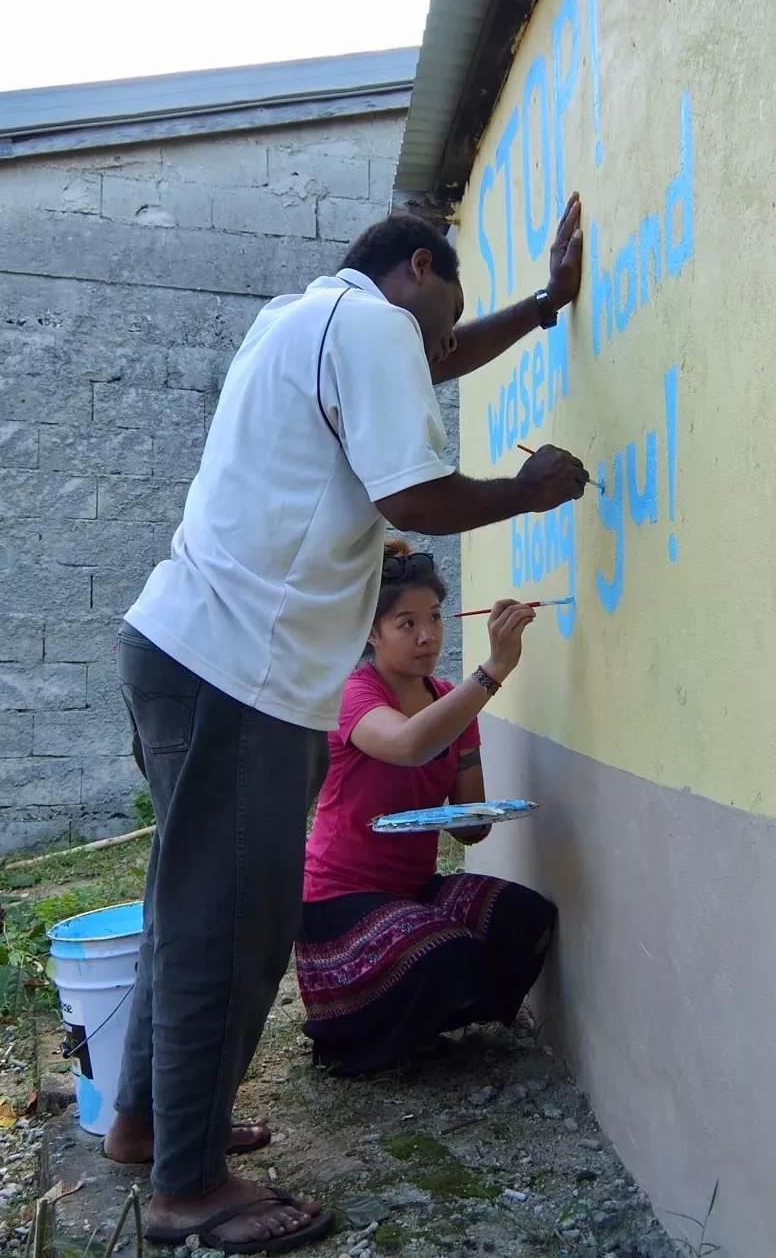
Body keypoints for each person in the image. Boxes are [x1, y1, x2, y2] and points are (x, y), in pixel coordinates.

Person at [105, 198, 590, 1253]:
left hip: (193, 651)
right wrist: (528, 489)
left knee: (190, 905)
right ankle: (188, 1186)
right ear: (416, 269)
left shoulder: (305, 319)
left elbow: (447, 350)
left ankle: (151, 1125)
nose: (437, 351)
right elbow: (413, 496)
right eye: (437, 324)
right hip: (237, 668)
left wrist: (546, 306)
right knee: (229, 926)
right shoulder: (369, 325)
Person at [296, 541, 556, 1076]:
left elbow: (469, 832)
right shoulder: (354, 694)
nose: (427, 636)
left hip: (411, 889)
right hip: (337, 899)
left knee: (527, 918)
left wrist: (486, 815)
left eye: (435, 618)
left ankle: (422, 1025)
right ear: (371, 632)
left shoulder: (448, 699)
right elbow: (409, 744)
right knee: (445, 953)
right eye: (406, 623)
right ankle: (350, 1038)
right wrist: (493, 671)